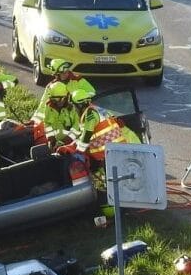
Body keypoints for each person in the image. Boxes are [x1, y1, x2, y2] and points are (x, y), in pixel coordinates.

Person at [72, 88, 141, 217]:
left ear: (79, 104)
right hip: (119, 151)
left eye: (74, 106)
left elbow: (86, 135)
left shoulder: (90, 115)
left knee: (103, 183)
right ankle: (128, 209)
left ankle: (112, 213)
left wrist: (78, 152)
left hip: (107, 155)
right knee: (122, 182)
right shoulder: (100, 110)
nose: (74, 109)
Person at [39, 82, 80, 149]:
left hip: (70, 145)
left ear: (66, 97)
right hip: (55, 144)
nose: (58, 102)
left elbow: (77, 128)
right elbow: (47, 124)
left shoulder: (72, 109)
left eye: (60, 99)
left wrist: (64, 142)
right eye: (54, 99)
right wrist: (51, 139)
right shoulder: (49, 107)